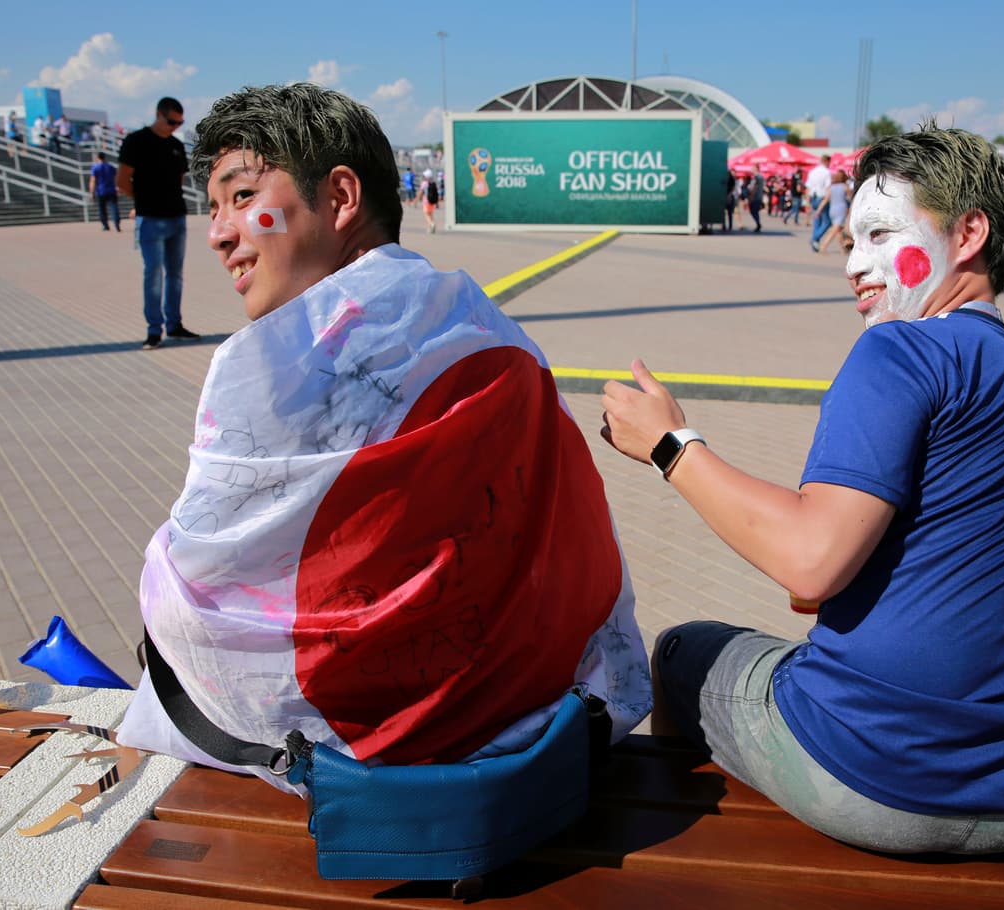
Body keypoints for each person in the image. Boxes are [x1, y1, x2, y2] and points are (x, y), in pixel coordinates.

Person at [114, 82, 651, 791]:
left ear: (340, 198)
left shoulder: (276, 363)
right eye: (212, 209)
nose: (217, 233)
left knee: (159, 670)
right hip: (531, 722)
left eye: (242, 198)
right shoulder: (485, 325)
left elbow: (194, 593)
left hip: (377, 765)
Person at [599, 124, 1004, 870]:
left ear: (968, 233)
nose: (856, 265)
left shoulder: (902, 348)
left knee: (680, 651)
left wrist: (670, 445)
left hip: (887, 780)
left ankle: (689, 852)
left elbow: (810, 562)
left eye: (879, 233)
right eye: (850, 240)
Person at [117, 97, 201, 350]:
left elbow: (179, 179)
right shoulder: (136, 141)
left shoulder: (176, 145)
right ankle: (154, 330)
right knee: (153, 274)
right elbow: (122, 180)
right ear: (158, 114)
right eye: (171, 121)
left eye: (180, 122)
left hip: (176, 216)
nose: (175, 126)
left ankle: (174, 325)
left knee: (175, 275)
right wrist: (142, 201)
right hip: (150, 218)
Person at [815, 170, 850, 253]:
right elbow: (850, 199)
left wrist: (818, 210)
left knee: (838, 230)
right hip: (841, 209)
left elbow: (825, 200)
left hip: (832, 209)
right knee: (835, 230)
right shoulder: (845, 187)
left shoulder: (831, 187)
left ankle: (843, 249)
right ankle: (824, 246)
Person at [806, 153, 833, 247]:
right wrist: (828, 198)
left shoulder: (812, 171)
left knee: (817, 220)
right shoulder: (827, 172)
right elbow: (828, 187)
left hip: (813, 197)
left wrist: (807, 201)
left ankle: (815, 243)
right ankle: (814, 238)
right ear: (827, 161)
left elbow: (808, 187)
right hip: (822, 198)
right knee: (827, 221)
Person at [89, 152, 121, 232]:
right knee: (114, 207)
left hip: (101, 191)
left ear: (97, 158)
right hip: (111, 190)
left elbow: (93, 180)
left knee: (102, 209)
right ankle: (117, 223)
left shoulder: (95, 167)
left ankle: (105, 225)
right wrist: (118, 188)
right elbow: (116, 178)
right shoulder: (110, 167)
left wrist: (92, 192)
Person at [419, 167, 439, 232]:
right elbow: (436, 193)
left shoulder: (424, 183)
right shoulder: (433, 183)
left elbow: (421, 192)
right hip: (433, 201)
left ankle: (432, 224)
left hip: (426, 201)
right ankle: (429, 228)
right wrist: (437, 203)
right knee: (431, 214)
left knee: (426, 214)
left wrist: (418, 198)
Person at [747, 166, 765, 232]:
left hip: (755, 197)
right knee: (755, 211)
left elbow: (755, 187)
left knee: (753, 211)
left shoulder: (757, 177)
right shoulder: (761, 177)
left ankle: (758, 224)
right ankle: (758, 224)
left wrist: (751, 196)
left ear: (756, 169)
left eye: (752, 168)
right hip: (759, 196)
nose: (751, 169)